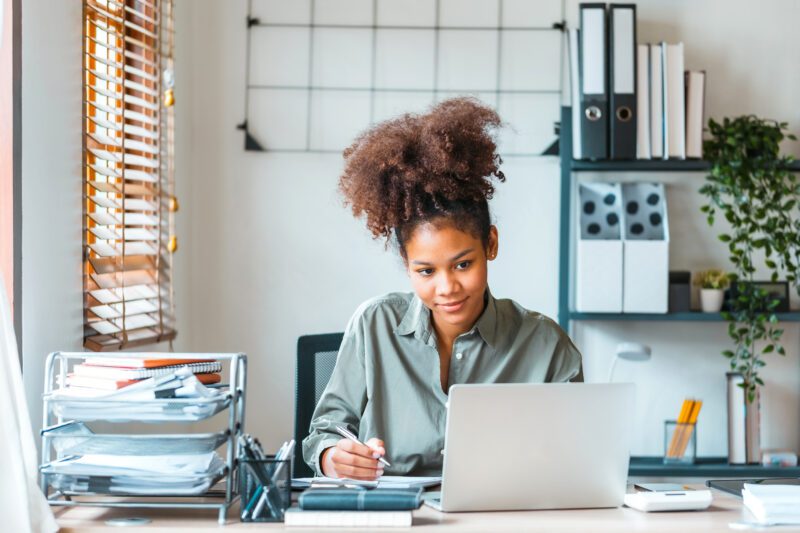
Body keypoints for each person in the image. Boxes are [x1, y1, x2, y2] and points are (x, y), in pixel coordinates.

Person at [302, 97, 583, 480]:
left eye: (463, 264)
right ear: (406, 266)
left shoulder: (545, 345)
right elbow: (322, 435)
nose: (447, 287)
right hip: (396, 515)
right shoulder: (375, 324)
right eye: (426, 271)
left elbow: (576, 457)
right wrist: (334, 456)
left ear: (491, 245)